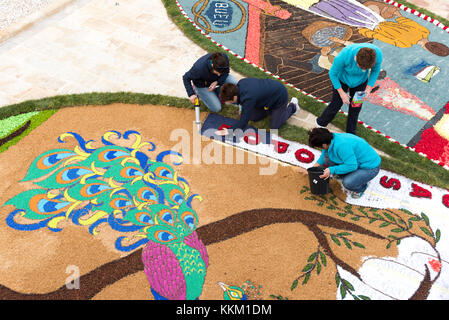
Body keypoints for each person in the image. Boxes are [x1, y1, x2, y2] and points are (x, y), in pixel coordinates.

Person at [315, 43, 383, 134]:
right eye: (361, 67)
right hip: (342, 79)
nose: (363, 69)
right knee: (336, 103)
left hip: (361, 82)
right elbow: (332, 73)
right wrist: (342, 93)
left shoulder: (377, 54)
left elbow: (375, 71)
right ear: (355, 58)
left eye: (366, 68)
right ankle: (321, 123)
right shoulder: (344, 55)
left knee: (356, 106)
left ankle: (350, 133)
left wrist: (368, 88)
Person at [308, 127, 381, 198]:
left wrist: (332, 170)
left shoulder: (342, 145)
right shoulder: (329, 139)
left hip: (369, 167)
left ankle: (361, 187)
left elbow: (352, 166)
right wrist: (313, 169)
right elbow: (324, 154)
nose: (320, 149)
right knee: (327, 159)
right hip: (355, 162)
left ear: (323, 145)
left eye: (319, 147)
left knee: (348, 183)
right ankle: (348, 175)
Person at [214, 78, 300, 135]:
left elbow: (243, 121)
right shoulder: (240, 84)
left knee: (274, 127)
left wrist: (229, 131)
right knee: (253, 117)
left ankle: (293, 107)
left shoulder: (248, 98)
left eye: (230, 101)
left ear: (234, 97)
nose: (230, 103)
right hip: (267, 96)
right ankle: (271, 111)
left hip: (280, 97)